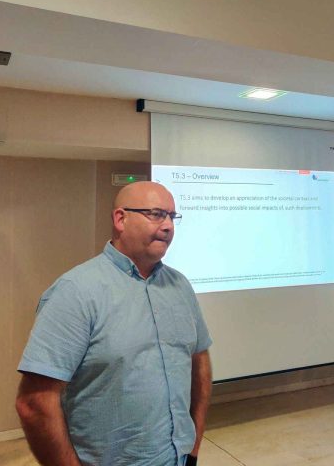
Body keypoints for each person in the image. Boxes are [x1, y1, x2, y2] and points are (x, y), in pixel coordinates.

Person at [15, 182, 212, 466]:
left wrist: (192, 447)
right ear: (120, 219)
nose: (168, 226)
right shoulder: (76, 292)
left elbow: (199, 361)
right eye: (156, 214)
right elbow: (35, 402)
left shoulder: (179, 286)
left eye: (172, 216)